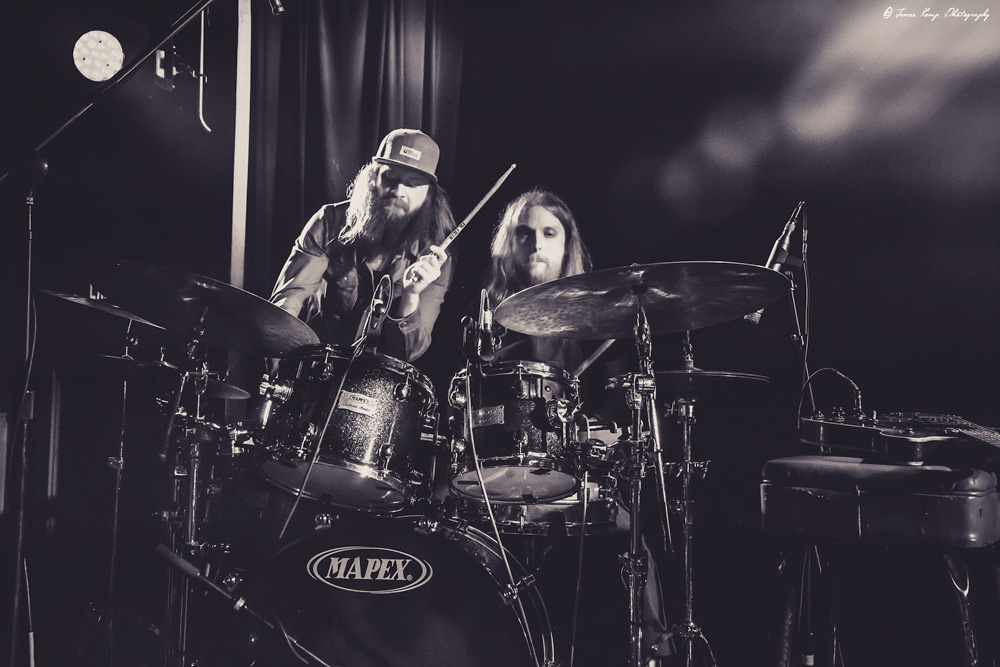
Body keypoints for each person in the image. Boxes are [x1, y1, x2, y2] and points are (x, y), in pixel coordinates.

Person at [460, 188, 675, 665]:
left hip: (580, 478)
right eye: (524, 234)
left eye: (548, 233)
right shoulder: (485, 320)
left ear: (565, 245)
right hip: (493, 483)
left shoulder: (598, 321)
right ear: (508, 247)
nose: (536, 243)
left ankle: (653, 653)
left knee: (629, 540)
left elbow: (621, 405)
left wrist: (597, 433)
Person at [269, 128, 454, 362]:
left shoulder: (436, 255)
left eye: (413, 184)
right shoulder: (329, 221)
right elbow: (290, 301)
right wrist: (277, 360)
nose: (398, 191)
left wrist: (411, 296)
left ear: (429, 194)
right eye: (390, 177)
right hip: (318, 365)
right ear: (372, 176)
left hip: (379, 382)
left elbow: (408, 353)